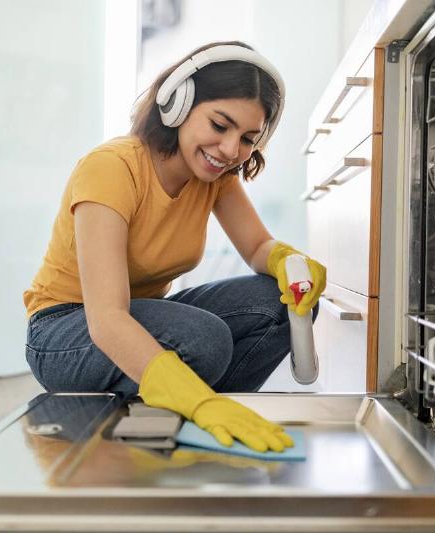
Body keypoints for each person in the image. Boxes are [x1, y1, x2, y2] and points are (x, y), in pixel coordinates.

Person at [22, 41, 326, 453]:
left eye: (248, 138)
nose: (230, 150)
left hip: (144, 320)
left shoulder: (216, 177)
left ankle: (202, 417)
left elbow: (256, 246)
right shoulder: (112, 167)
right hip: (65, 333)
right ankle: (194, 406)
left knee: (276, 301)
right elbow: (107, 317)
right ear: (177, 104)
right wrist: (198, 399)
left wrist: (286, 260)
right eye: (220, 126)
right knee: (203, 340)